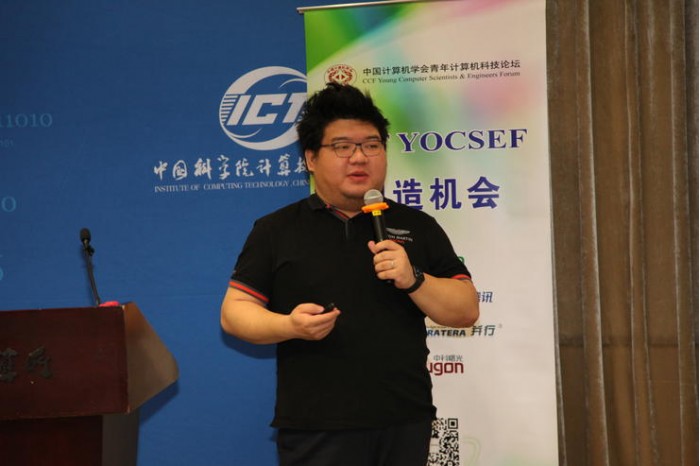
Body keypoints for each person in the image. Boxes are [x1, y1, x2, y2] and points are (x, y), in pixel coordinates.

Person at [220, 82, 479, 466]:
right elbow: (234, 312)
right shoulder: (276, 229)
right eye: (342, 147)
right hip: (316, 426)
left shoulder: (418, 226)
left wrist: (414, 278)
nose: (359, 158)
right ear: (311, 158)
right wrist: (289, 325)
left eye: (372, 145)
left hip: (404, 419)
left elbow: (466, 309)